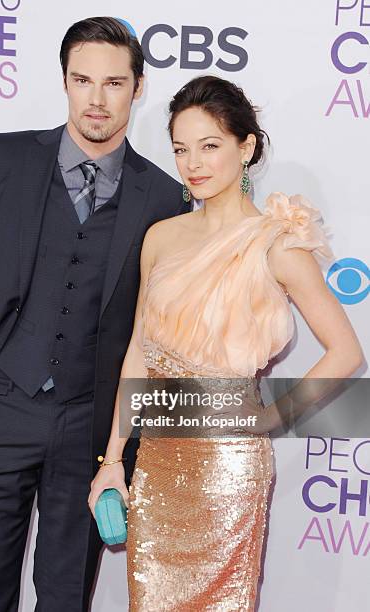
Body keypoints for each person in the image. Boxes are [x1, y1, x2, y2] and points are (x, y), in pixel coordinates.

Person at [0, 17, 190, 612]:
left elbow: (155, 329)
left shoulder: (163, 196)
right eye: (83, 80)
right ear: (65, 82)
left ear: (138, 88)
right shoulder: (3, 157)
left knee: (67, 597)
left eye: (114, 83)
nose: (97, 99)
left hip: (89, 430)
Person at [88, 75, 364, 610]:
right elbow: (140, 351)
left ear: (247, 147)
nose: (193, 163)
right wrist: (113, 458)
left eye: (209, 146)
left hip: (227, 466)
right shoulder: (161, 236)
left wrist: (271, 419)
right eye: (181, 149)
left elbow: (347, 352)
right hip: (158, 458)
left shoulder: (276, 243)